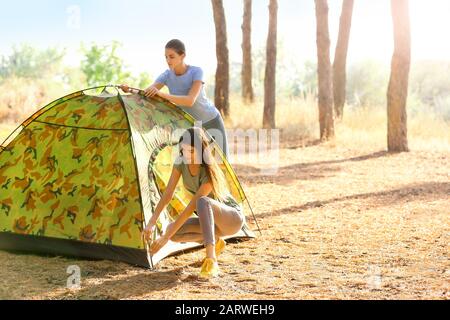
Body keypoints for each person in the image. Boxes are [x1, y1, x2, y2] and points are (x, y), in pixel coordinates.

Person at [143, 127, 244, 279]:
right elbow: (168, 193)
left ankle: (211, 260)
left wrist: (164, 239)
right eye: (183, 151)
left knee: (203, 202)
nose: (187, 156)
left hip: (231, 220)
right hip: (210, 223)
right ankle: (216, 241)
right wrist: (151, 222)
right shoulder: (182, 161)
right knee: (173, 232)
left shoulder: (209, 173)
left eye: (191, 151)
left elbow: (192, 207)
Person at [121, 39, 229, 158]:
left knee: (222, 161)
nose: (168, 60)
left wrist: (162, 94)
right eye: (166, 57)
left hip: (211, 120)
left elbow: (190, 100)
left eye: (171, 56)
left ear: (182, 55)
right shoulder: (166, 75)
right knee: (199, 166)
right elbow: (147, 92)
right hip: (191, 126)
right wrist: (130, 90)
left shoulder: (196, 71)